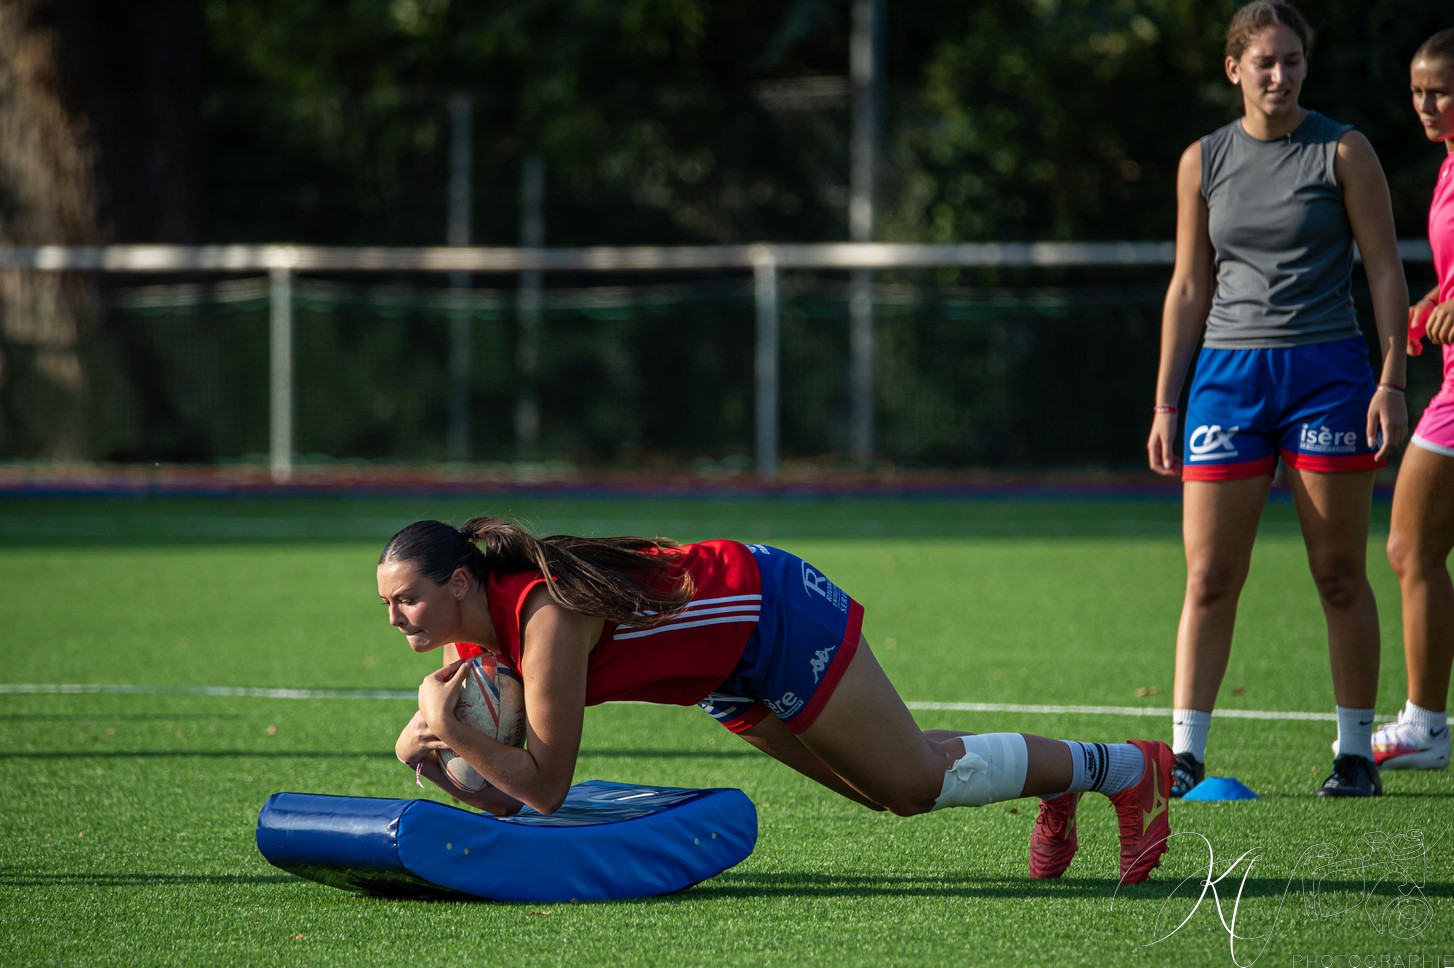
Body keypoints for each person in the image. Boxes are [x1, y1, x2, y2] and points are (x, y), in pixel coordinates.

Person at [379, 515, 1174, 883]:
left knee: (912, 785)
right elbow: (517, 801)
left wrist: (452, 728)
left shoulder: (542, 614)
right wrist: (439, 767)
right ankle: (1064, 780)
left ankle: (1123, 769)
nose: (393, 618)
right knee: (888, 788)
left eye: (405, 599)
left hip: (769, 611)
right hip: (721, 674)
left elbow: (548, 787)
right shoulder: (472, 646)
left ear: (458, 584)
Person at [1145, 1, 1408, 798]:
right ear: (1234, 70)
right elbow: (1190, 286)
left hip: (1328, 375)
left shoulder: (1344, 151)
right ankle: (1185, 753)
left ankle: (1355, 753)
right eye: (1264, 61)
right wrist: (1166, 402)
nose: (1280, 75)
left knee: (1337, 573)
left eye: (1292, 61)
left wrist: (1392, 380)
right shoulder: (1203, 159)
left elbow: (1385, 270)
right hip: (1227, 378)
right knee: (1211, 576)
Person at [1376, 28, 1454, 774]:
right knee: (1415, 548)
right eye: (1418, 92)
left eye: (1441, 91)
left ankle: (1426, 724)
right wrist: (1436, 298)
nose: (1426, 105)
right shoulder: (1446, 166)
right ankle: (1425, 720)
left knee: (1410, 546)